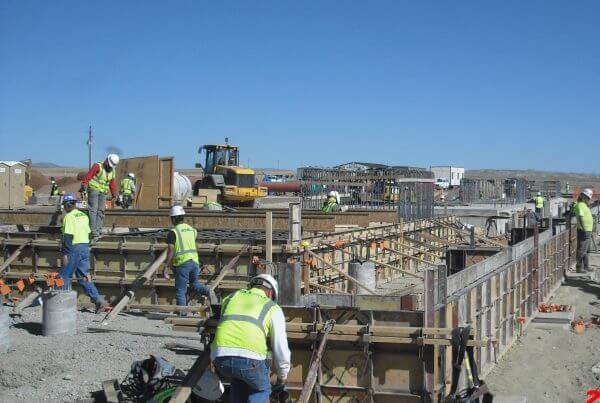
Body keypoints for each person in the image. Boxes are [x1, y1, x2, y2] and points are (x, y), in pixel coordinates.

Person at [211, 274, 291, 402]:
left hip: (220, 358)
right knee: (262, 389)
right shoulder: (272, 307)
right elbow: (280, 347)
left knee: (240, 380)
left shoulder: (230, 298)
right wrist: (282, 376)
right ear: (270, 294)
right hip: (249, 361)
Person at [60, 193, 103, 312]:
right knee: (83, 276)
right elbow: (89, 233)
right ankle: (97, 299)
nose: (64, 208)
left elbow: (68, 237)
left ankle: (61, 304)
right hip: (84, 247)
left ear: (68, 205)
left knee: (65, 276)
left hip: (73, 248)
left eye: (64, 205)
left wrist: (65, 254)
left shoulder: (69, 217)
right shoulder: (84, 215)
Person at [163, 205, 212, 306]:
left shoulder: (173, 232)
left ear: (174, 218)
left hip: (183, 264)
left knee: (181, 290)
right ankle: (209, 292)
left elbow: (171, 250)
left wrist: (166, 266)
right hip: (194, 262)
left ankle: (182, 315)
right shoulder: (192, 230)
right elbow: (194, 246)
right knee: (195, 284)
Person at [80, 154, 119, 238]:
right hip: (93, 190)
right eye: (109, 165)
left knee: (101, 211)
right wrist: (84, 186)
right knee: (93, 210)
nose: (109, 167)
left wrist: (114, 194)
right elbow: (88, 176)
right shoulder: (97, 166)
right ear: (106, 161)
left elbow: (112, 183)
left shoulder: (112, 170)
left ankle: (98, 230)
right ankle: (93, 231)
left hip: (103, 192)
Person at [572, 188, 594, 273]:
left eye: (588, 198)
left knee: (586, 250)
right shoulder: (580, 205)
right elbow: (581, 218)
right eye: (587, 197)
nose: (588, 199)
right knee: (582, 250)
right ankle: (579, 268)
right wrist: (584, 229)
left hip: (587, 230)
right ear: (582, 196)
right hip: (584, 230)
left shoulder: (584, 205)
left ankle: (586, 266)